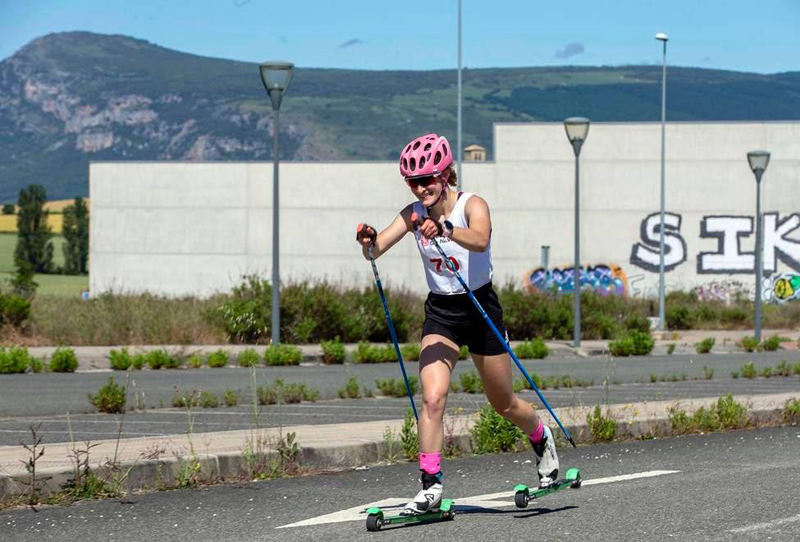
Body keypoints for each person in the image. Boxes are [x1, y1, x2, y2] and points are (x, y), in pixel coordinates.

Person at [356, 133, 559, 516]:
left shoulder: (472, 204)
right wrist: (367, 241)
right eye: (413, 183)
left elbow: (480, 240)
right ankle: (430, 485)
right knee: (432, 398)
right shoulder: (412, 213)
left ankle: (540, 437)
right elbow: (376, 248)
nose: (420, 188)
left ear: (446, 174)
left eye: (427, 180)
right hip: (442, 313)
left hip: (481, 309)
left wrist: (445, 228)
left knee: (504, 404)